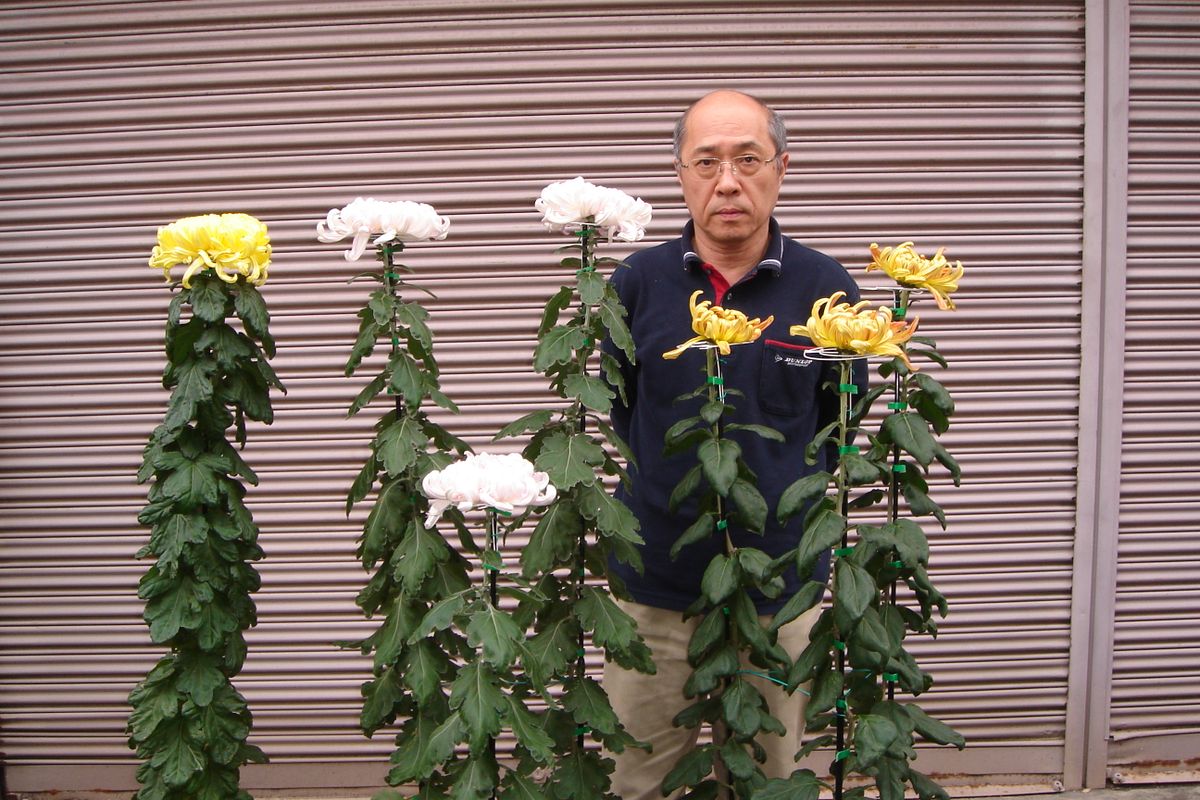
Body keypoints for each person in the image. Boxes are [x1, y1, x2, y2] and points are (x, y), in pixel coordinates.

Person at [602, 90, 868, 799]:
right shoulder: (637, 285)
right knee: (638, 777)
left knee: (768, 779)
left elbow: (840, 422)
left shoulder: (826, 290)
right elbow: (620, 408)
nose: (728, 182)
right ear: (680, 173)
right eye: (706, 162)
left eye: (748, 160)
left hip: (779, 593)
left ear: (781, 168)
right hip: (656, 590)